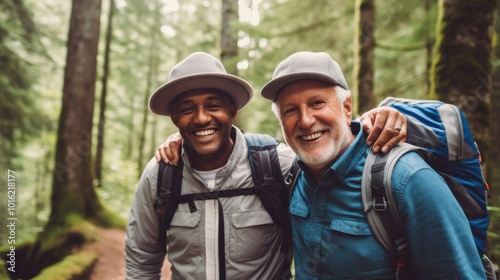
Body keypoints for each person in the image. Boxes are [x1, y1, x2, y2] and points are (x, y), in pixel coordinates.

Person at [127, 52, 406, 280]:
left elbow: (334, 153)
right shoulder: (161, 175)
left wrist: (385, 118)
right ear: (175, 117)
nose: (201, 118)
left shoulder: (276, 165)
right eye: (187, 109)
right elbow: (141, 260)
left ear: (232, 111)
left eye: (213, 105)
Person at [258, 51, 485, 279]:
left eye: (317, 103)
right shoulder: (292, 175)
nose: (305, 120)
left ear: (347, 108)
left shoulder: (407, 179)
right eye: (290, 110)